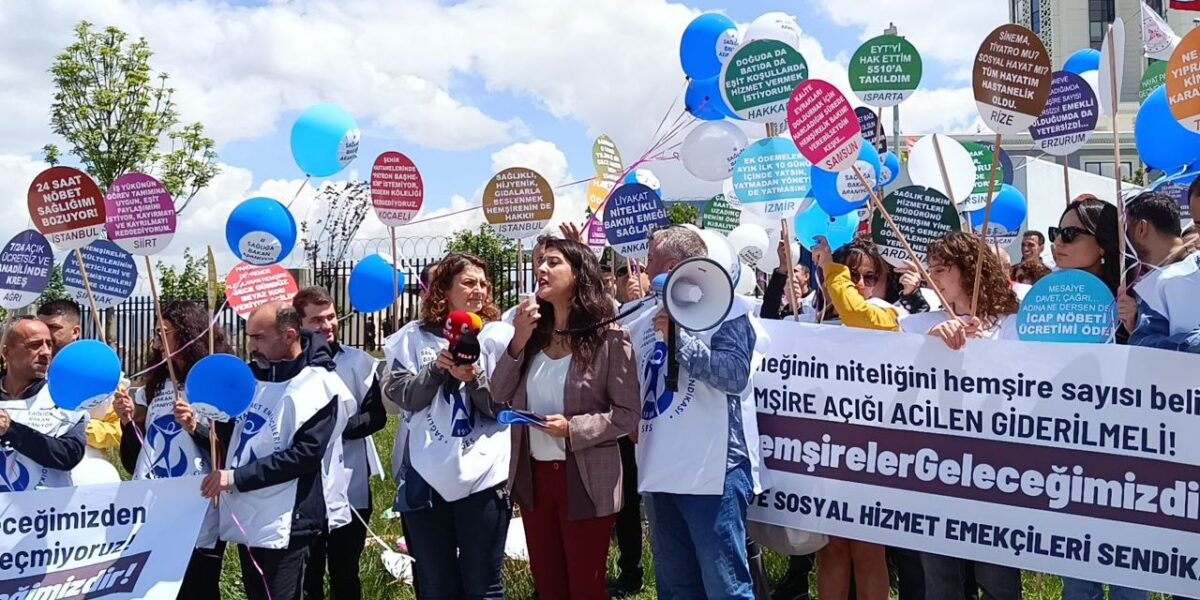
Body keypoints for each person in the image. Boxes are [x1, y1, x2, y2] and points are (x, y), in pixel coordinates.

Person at [489, 238, 640, 600]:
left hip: (585, 478)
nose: (541, 269)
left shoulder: (611, 338)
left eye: (553, 263)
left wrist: (572, 429)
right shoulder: (532, 337)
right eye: (540, 263)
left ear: (578, 275)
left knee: (585, 587)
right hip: (535, 479)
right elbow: (497, 394)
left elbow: (627, 414)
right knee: (549, 585)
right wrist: (517, 341)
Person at [629, 225, 768, 600]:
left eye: (651, 260)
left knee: (725, 588)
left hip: (712, 475)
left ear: (672, 266)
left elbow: (736, 375)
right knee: (676, 589)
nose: (644, 267)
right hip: (662, 471)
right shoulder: (645, 316)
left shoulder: (729, 310)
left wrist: (682, 341)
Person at [383, 253, 514, 600]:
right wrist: (439, 369)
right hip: (425, 480)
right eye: (469, 282)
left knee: (483, 585)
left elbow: (500, 407)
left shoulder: (498, 337)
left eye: (484, 284)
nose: (479, 290)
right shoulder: (411, 339)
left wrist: (474, 378)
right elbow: (404, 397)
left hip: (485, 476)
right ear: (444, 289)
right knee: (436, 583)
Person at [898, 232, 1021, 599]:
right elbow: (899, 393)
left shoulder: (1012, 324)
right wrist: (928, 346)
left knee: (997, 576)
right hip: (935, 465)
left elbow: (1032, 388)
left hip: (994, 468)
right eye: (930, 268)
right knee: (940, 575)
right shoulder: (918, 325)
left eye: (941, 268)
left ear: (968, 269)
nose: (932, 276)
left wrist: (990, 355)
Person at [202, 301, 353, 600]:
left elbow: (304, 456)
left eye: (259, 337)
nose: (251, 346)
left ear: (289, 335)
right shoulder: (249, 379)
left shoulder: (320, 385)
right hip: (249, 514)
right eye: (249, 337)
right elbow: (233, 437)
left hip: (290, 521)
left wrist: (234, 478)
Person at [115, 301, 231, 600]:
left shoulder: (212, 381)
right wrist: (128, 422)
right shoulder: (154, 387)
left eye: (162, 332)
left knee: (199, 587)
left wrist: (196, 428)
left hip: (200, 505)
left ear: (188, 334)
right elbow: (136, 457)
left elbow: (230, 449)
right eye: (155, 332)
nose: (156, 340)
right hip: (158, 502)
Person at [803, 237, 897, 600]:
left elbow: (859, 315)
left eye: (870, 276)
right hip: (822, 452)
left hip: (873, 454)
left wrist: (833, 271)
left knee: (869, 551)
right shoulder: (809, 323)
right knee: (831, 550)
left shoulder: (889, 315)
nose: (860, 283)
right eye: (852, 274)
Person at [294, 287, 387, 600]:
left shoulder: (359, 363)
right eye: (317, 320)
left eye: (331, 317)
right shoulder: (289, 367)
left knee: (346, 571)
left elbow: (376, 417)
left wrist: (333, 428)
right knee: (308, 576)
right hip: (304, 493)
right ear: (299, 324)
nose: (327, 325)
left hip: (351, 487)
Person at [37, 299, 122, 484]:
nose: (45, 334)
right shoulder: (30, 371)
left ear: (75, 332)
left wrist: (76, 426)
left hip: (88, 478)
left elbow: (117, 430)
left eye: (53, 327)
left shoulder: (101, 375)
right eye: (41, 326)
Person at [0, 317, 86, 492]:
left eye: (49, 344)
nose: (46, 352)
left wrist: (11, 430)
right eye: (35, 345)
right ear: (7, 352)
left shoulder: (65, 399)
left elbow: (69, 455)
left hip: (44, 515)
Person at [1051, 197, 1129, 341]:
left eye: (1070, 233)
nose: (1058, 241)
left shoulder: (1128, 298)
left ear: (1102, 244)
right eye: (1056, 232)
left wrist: (1133, 327)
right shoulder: (1046, 294)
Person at [761, 239, 815, 320]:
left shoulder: (818, 300)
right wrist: (782, 267)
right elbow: (767, 314)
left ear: (806, 276)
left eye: (795, 271)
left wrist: (798, 306)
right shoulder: (784, 311)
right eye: (788, 271)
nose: (791, 274)